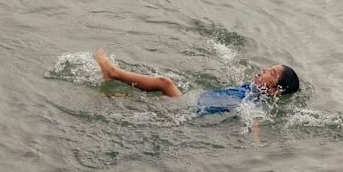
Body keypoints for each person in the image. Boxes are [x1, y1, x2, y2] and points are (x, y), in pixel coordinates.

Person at [93, 48, 300, 115]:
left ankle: (113, 73)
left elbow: (252, 118)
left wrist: (256, 142)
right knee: (154, 104)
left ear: (275, 91)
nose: (264, 69)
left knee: (165, 83)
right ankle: (114, 97)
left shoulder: (257, 101)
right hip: (194, 100)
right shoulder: (251, 87)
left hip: (192, 109)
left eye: (271, 73)